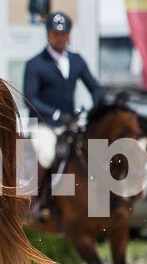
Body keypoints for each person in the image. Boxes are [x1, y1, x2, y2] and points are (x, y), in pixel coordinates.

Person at [23, 12, 103, 215]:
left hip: (70, 122)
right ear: (48, 34)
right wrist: (57, 115)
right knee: (48, 154)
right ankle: (36, 203)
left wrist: (94, 109)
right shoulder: (36, 64)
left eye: (63, 34)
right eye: (55, 34)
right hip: (43, 123)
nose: (60, 38)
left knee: (90, 150)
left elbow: (95, 88)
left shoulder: (76, 61)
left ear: (69, 34)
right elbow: (30, 98)